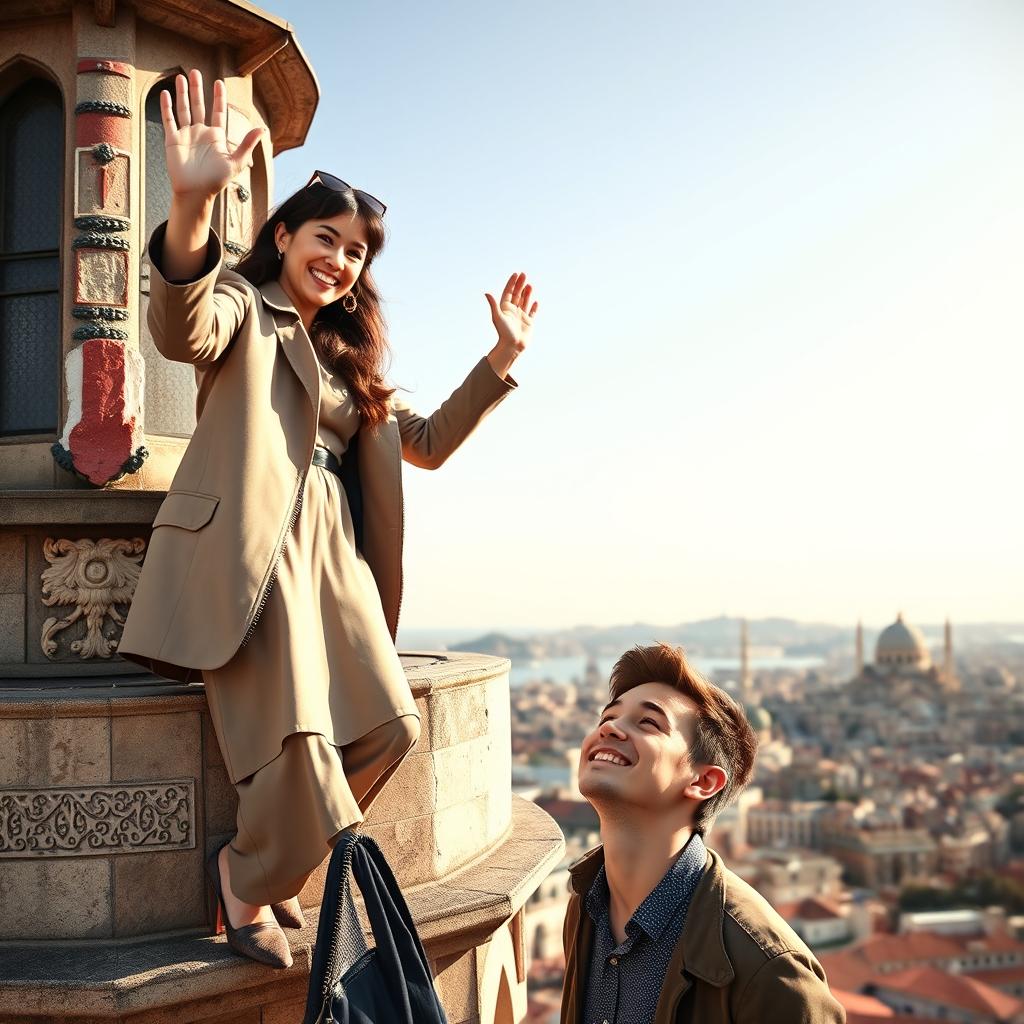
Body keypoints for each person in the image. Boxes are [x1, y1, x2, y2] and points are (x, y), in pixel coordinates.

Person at [119, 69, 539, 969]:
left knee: (390, 728)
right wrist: (190, 211)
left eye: (357, 252)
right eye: (326, 238)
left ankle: (266, 868)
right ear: (282, 236)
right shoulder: (247, 308)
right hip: (253, 547)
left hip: (335, 560)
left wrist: (499, 361)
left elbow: (420, 443)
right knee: (302, 742)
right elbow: (182, 325)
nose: (341, 260)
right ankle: (245, 878)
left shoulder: (351, 360)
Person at [561, 643, 845, 1023]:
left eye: (648, 722)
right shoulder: (585, 911)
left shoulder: (769, 970)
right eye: (606, 718)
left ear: (704, 781)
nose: (609, 727)